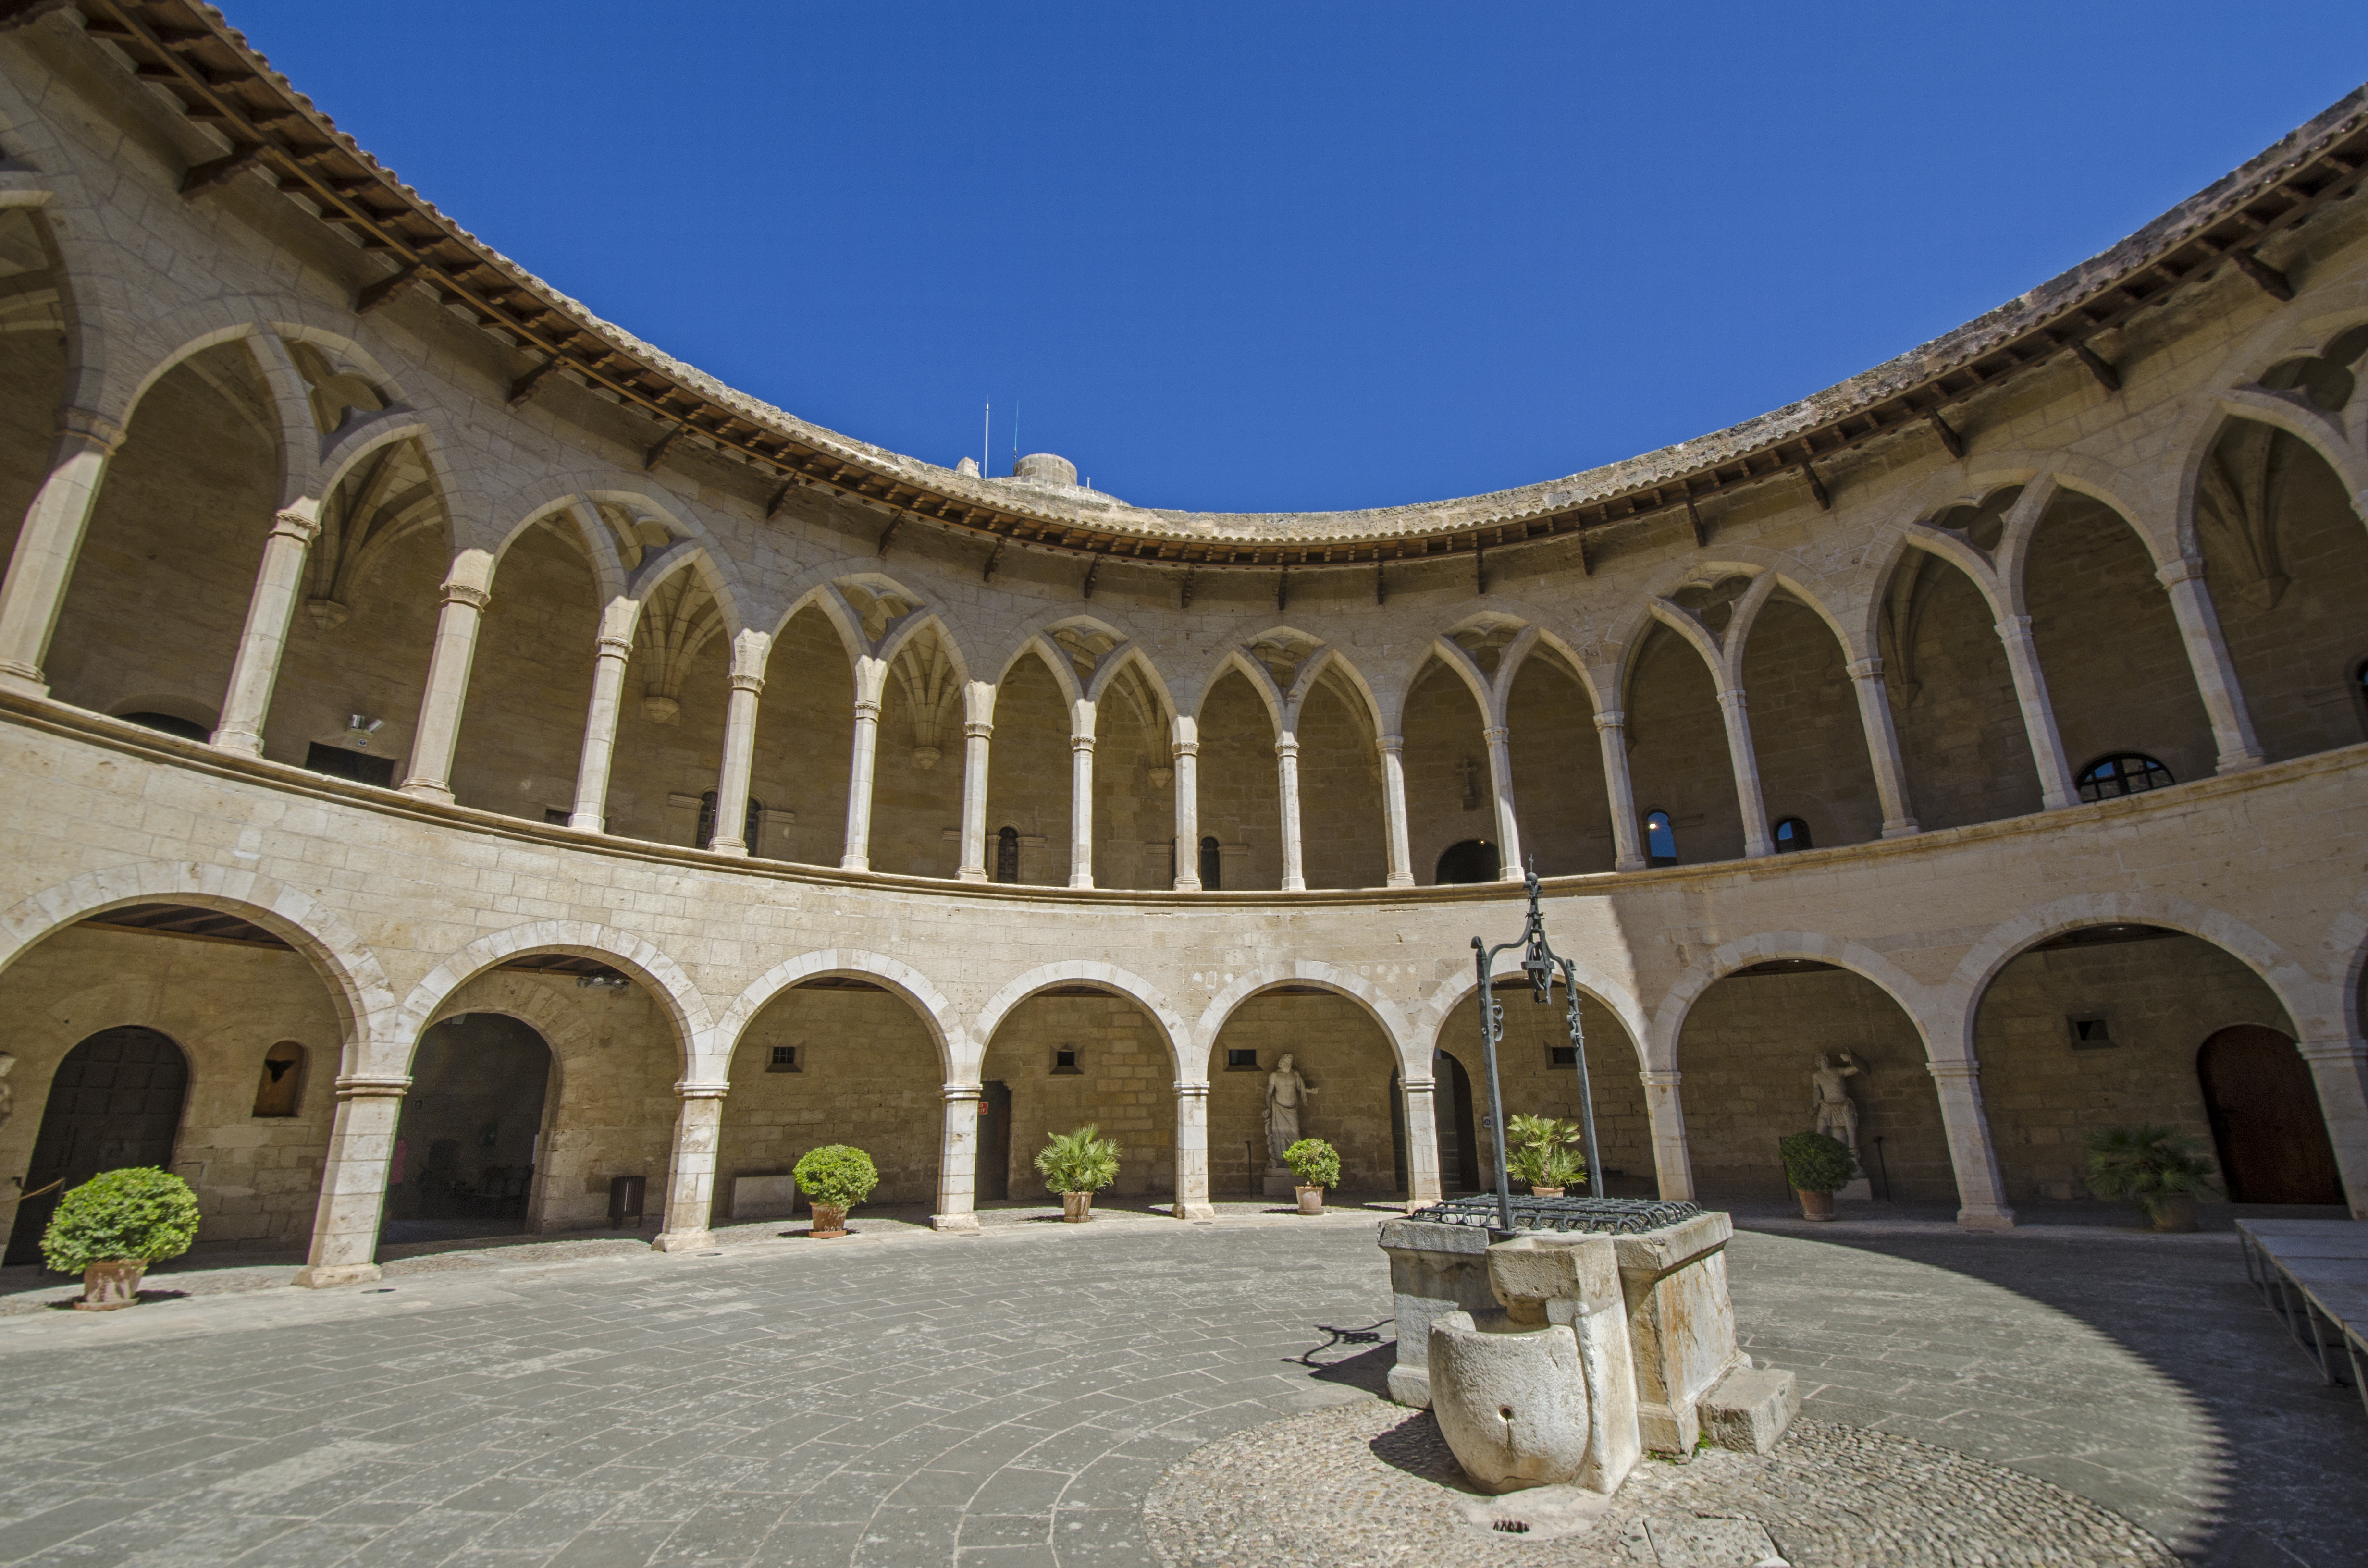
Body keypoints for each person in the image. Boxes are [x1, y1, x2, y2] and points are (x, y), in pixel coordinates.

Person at [1263, 1054, 1317, 1164]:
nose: (1289, 1063)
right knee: (1280, 1136)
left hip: (1292, 1110)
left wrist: (1311, 1091)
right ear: (1282, 1061)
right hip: (1279, 1109)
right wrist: (1268, 1107)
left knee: (1295, 1133)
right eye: (1287, 1060)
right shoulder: (1275, 1075)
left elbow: (1300, 1088)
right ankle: (1281, 1161)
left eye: (1291, 1061)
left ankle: (1296, 1161)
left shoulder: (1295, 1074)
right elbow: (1269, 1093)